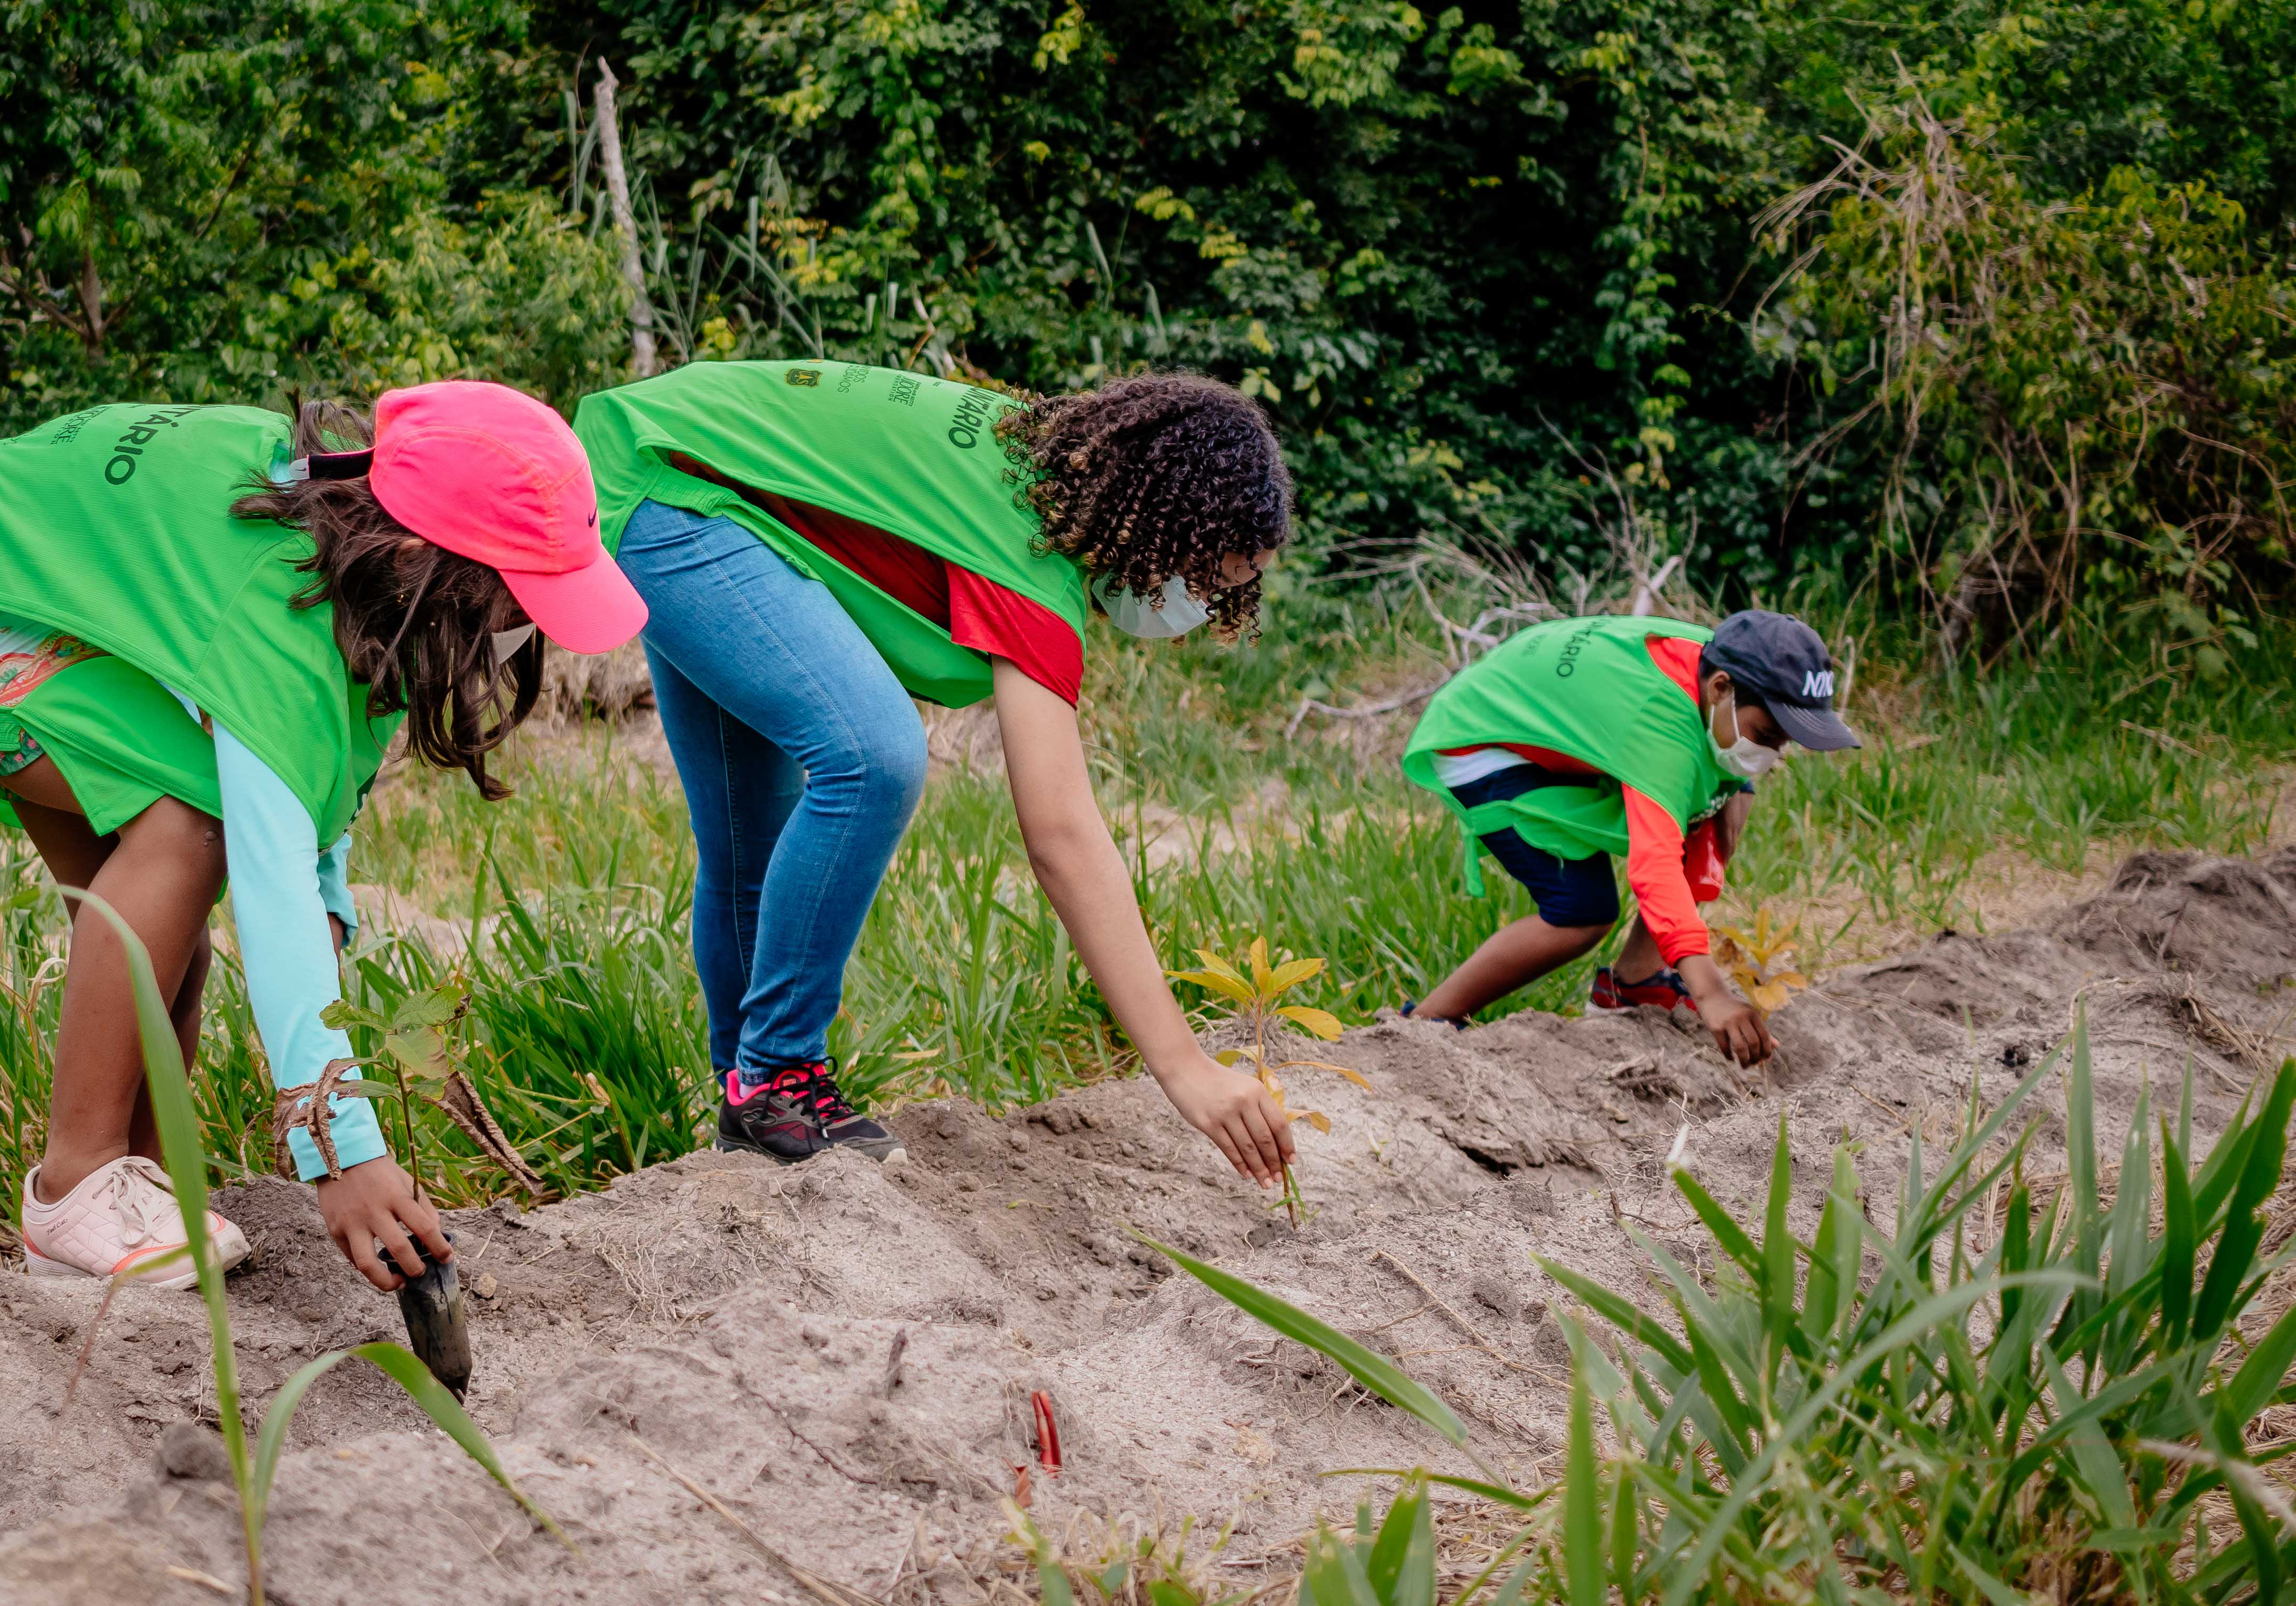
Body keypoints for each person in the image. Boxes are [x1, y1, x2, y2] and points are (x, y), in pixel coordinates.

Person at [0, 386, 645, 1289]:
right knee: (194, 829)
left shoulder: (355, 552)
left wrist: (328, 899)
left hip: (6, 580)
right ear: (422, 558)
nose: (518, 628)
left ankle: (136, 1194)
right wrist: (340, 1147)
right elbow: (269, 867)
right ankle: (75, 1183)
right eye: (514, 600)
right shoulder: (275, 609)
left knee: (159, 908)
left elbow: (319, 767)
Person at [574, 360, 1298, 1186]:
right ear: (1160, 523)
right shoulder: (1024, 557)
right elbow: (1060, 833)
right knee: (873, 757)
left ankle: (751, 1105)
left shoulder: (1034, 466)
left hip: (656, 466)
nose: (1196, 609)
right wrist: (1184, 1066)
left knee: (749, 839)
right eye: (1204, 580)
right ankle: (776, 1077)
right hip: (673, 488)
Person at [1398, 607, 1860, 1064]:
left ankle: (1634, 983)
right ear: (1720, 688)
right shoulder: (1658, 725)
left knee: (1730, 798)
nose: (1773, 754)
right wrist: (1711, 993)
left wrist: (1726, 795)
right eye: (1766, 734)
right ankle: (1426, 1024)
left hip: (1555, 715)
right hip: (1483, 736)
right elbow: (1654, 866)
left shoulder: (1716, 668)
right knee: (1581, 910)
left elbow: (1717, 776)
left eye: (1784, 742)